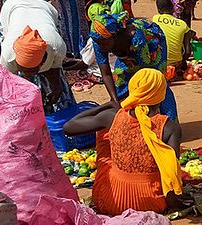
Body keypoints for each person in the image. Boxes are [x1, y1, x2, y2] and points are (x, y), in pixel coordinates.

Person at [63, 69, 184, 216]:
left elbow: (69, 127)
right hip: (151, 203)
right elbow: (170, 173)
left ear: (132, 89)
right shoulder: (170, 127)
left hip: (111, 200)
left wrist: (106, 106)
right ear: (161, 95)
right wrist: (174, 204)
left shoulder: (112, 116)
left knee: (106, 149)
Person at [90, 13, 178, 122]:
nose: (100, 47)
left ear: (114, 36)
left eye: (103, 44)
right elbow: (106, 73)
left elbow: (145, 71)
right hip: (127, 50)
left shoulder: (135, 36)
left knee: (155, 83)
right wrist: (115, 100)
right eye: (98, 43)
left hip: (152, 46)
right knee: (121, 83)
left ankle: (169, 123)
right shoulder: (99, 40)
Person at [0, 0, 75, 114]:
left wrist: (56, 88)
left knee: (58, 88)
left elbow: (54, 68)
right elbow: (8, 82)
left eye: (33, 70)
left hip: (45, 9)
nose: (27, 75)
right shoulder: (8, 54)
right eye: (23, 70)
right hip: (12, 7)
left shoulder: (57, 47)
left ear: (43, 61)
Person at [152, 0, 191, 75]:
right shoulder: (183, 24)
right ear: (173, 8)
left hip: (158, 64)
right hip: (176, 65)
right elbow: (187, 52)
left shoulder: (155, 19)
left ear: (159, 10)